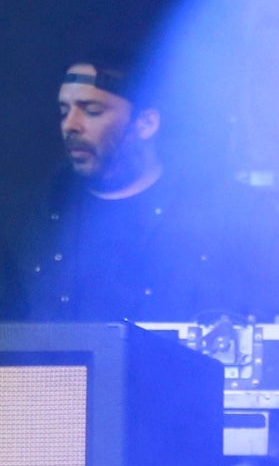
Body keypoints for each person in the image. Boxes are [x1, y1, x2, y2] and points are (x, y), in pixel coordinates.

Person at [12, 50, 220, 321]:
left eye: (92, 111)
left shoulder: (208, 214)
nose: (70, 125)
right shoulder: (39, 214)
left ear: (146, 123)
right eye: (64, 111)